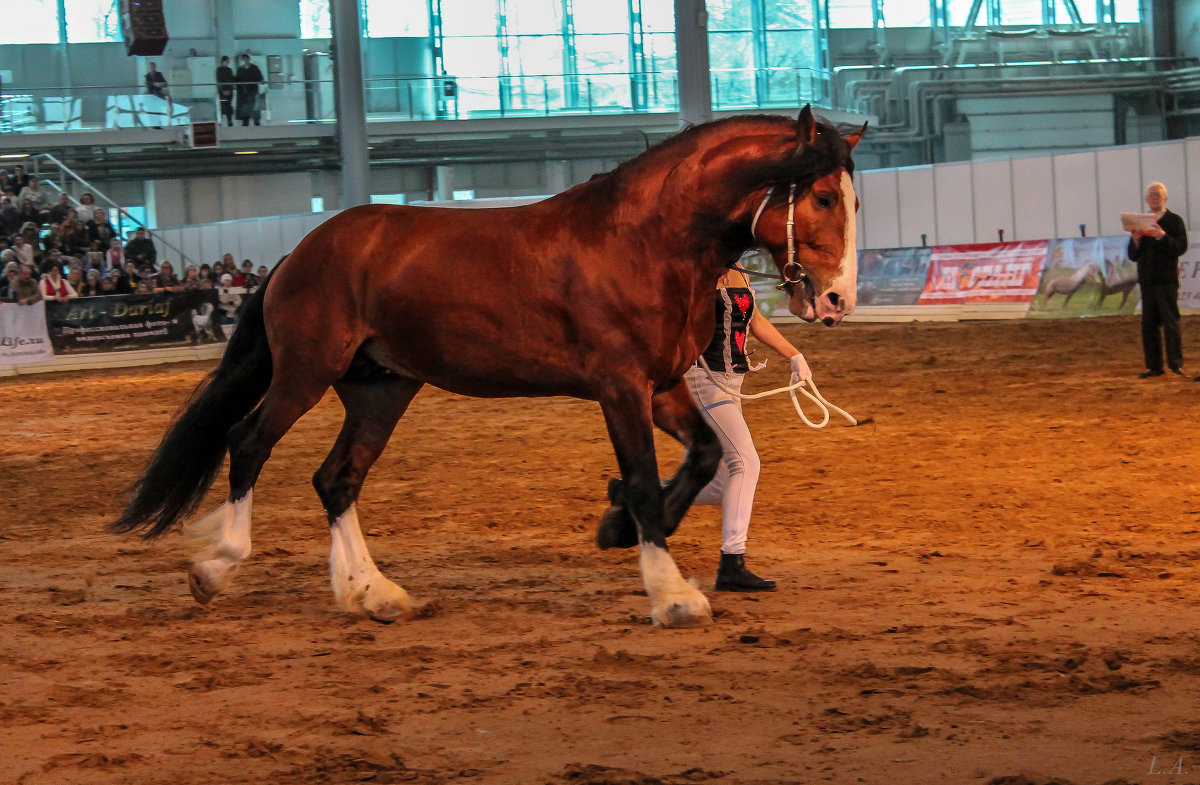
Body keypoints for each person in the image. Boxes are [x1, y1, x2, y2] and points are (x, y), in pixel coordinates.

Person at [684, 258, 811, 592]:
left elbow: (753, 319)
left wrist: (795, 356)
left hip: (733, 381)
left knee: (724, 483)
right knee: (747, 463)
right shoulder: (695, 264)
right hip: (704, 379)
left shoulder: (737, 266)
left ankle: (641, 494)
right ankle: (732, 561)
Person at [1127, 181, 1189, 379]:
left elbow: (1181, 247)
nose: (1154, 198)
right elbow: (1133, 255)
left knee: (1171, 322)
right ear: (1146, 199)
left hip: (1166, 281)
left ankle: (1175, 364)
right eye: (1151, 195)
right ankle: (1154, 367)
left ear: (1165, 198)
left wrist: (1162, 236)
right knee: (1149, 324)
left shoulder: (1174, 221)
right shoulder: (1141, 222)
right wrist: (1136, 240)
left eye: (1157, 194)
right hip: (1147, 280)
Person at [235, 54, 265, 126]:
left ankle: (256, 120)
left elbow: (260, 77)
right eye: (244, 59)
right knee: (245, 106)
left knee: (255, 105)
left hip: (253, 90)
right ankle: (245, 120)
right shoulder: (240, 69)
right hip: (244, 91)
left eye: (247, 59)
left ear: (249, 59)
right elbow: (237, 79)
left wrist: (261, 80)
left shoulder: (254, 68)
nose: (246, 61)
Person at [216, 56, 236, 127]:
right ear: (223, 61)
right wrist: (223, 90)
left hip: (229, 91)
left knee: (229, 105)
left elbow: (232, 79)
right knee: (224, 105)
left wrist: (230, 89)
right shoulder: (219, 69)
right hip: (222, 92)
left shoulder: (229, 70)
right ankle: (224, 121)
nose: (228, 62)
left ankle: (229, 121)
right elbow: (219, 80)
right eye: (227, 61)